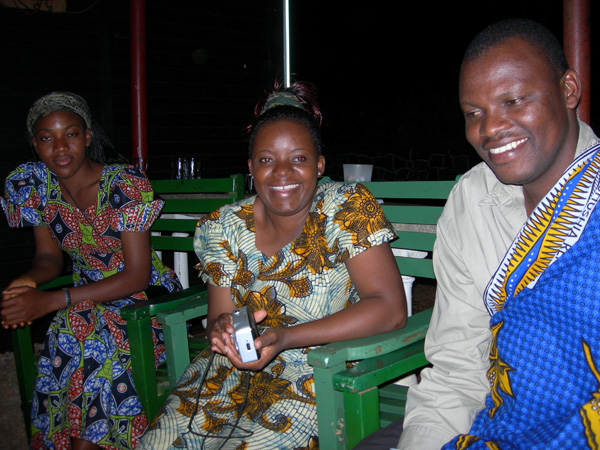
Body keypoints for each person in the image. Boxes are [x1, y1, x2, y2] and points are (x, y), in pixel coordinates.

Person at [366, 18, 600, 450]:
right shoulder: (469, 203)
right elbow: (458, 368)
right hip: (496, 423)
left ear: (568, 91)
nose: (489, 129)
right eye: (474, 113)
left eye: (512, 100)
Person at [138, 80, 408, 449]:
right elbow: (222, 314)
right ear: (251, 167)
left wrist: (284, 338)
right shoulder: (222, 227)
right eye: (267, 160)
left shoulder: (345, 207)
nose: (282, 172)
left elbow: (390, 309)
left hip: (317, 374)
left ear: (319, 164)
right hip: (229, 372)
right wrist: (224, 332)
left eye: (299, 158)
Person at [1, 92, 182, 449]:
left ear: (87, 136)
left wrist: (54, 299)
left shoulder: (123, 186)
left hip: (144, 304)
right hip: (86, 301)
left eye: (71, 134)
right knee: (64, 342)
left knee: (102, 347)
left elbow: (137, 276)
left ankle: (95, 442)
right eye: (46, 137)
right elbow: (49, 259)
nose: (60, 147)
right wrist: (27, 282)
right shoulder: (36, 187)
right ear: (35, 144)